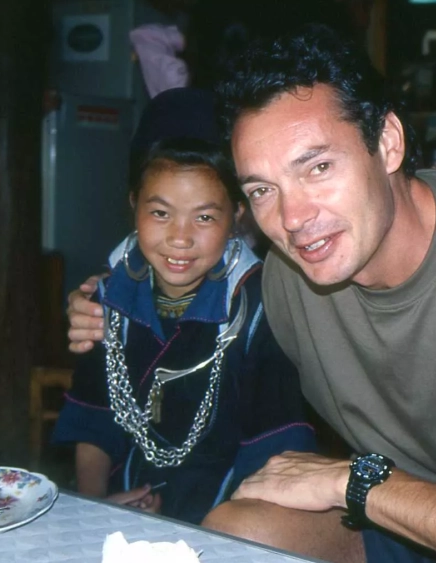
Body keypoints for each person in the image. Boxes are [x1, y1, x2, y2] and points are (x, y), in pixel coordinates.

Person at [67, 25, 436, 563]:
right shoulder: (290, 279)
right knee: (236, 534)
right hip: (408, 522)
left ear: (388, 144)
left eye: (318, 168)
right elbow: (199, 318)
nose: (293, 218)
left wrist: (352, 480)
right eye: (263, 189)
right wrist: (108, 305)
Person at [52, 87, 314, 525]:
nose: (179, 238)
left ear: (237, 215)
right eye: (160, 213)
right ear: (133, 205)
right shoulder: (109, 300)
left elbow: (275, 451)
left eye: (205, 217)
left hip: (235, 514)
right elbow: (93, 418)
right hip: (126, 507)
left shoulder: (260, 310)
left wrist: (213, 526)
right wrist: (95, 508)